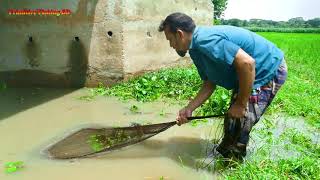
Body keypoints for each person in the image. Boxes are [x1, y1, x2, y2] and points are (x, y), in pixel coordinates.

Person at [158, 12, 288, 159]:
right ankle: (225, 154)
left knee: (241, 119)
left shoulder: (204, 40)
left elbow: (247, 63)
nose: (171, 45)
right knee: (232, 119)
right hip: (246, 74)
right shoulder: (195, 49)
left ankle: (232, 164)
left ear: (180, 34)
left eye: (170, 40)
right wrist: (189, 109)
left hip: (266, 68)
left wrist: (240, 104)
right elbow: (209, 84)